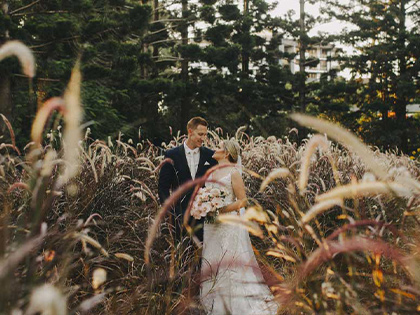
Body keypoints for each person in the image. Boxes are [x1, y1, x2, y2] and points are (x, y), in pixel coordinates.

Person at [201, 139, 278, 315]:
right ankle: (213, 300)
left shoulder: (233, 173)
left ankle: (232, 305)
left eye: (219, 147)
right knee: (213, 259)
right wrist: (203, 205)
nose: (215, 148)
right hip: (212, 225)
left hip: (229, 224)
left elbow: (243, 200)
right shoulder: (211, 172)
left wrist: (222, 209)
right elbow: (206, 196)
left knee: (230, 262)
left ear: (226, 153)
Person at [158, 117, 217, 243]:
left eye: (205, 135)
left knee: (202, 259)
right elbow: (163, 187)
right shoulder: (171, 155)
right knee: (181, 257)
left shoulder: (211, 156)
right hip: (179, 218)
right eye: (200, 134)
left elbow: (215, 184)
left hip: (204, 219)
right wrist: (171, 213)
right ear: (190, 132)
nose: (203, 138)